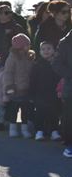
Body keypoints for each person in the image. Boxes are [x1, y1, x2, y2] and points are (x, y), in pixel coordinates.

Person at [3, 33, 35, 138]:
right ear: (20, 46)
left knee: (25, 110)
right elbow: (8, 73)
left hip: (26, 89)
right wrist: (9, 87)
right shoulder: (12, 58)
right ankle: (13, 128)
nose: (29, 46)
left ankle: (24, 129)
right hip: (15, 88)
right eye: (27, 45)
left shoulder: (29, 57)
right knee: (14, 109)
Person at [30, 41, 62, 140]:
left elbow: (60, 78)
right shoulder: (37, 64)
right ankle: (39, 131)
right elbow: (32, 80)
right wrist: (31, 94)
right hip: (40, 94)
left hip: (54, 93)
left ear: (54, 50)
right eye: (43, 49)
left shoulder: (57, 63)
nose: (46, 51)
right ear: (40, 51)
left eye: (48, 48)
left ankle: (54, 131)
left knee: (54, 112)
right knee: (40, 112)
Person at [52, 29, 72, 157]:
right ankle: (70, 143)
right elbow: (56, 64)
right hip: (71, 87)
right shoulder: (65, 42)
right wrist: (70, 74)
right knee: (69, 117)